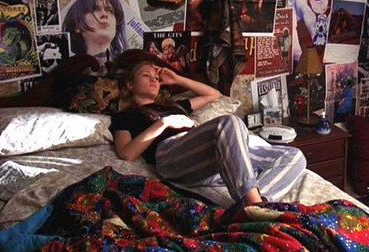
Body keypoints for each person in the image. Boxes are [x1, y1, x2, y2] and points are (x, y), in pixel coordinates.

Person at [110, 58, 306, 206]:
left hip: (210, 159)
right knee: (230, 122)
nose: (154, 80)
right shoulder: (126, 115)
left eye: (156, 77)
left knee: (294, 156)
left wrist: (176, 78)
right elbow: (127, 153)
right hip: (171, 156)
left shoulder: (175, 105)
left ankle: (255, 202)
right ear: (129, 84)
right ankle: (254, 205)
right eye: (146, 75)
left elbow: (214, 95)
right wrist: (163, 123)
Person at [62, 0, 128, 64]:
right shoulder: (68, 69)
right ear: (77, 25)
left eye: (110, 10)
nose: (104, 14)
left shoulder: (130, 68)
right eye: (94, 9)